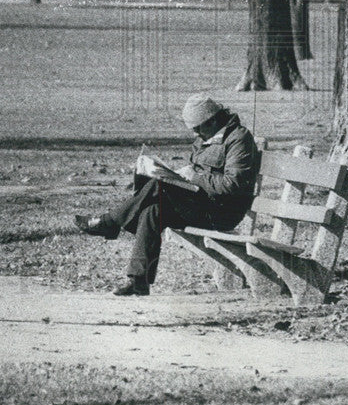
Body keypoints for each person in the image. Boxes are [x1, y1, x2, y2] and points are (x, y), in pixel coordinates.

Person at [74, 94, 259, 296]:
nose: (196, 133)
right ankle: (139, 281)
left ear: (214, 120)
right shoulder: (204, 137)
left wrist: (194, 176)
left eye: (199, 128)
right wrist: (181, 176)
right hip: (202, 205)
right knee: (153, 209)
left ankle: (109, 222)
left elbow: (233, 185)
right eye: (193, 129)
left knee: (157, 187)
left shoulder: (238, 139)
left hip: (222, 213)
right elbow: (200, 174)